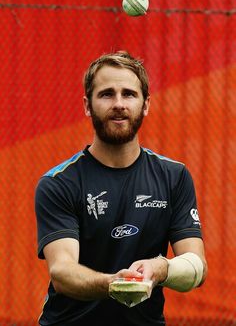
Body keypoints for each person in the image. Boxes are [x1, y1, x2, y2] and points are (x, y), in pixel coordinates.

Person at [35, 51, 208, 326]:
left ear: (146, 104)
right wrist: (114, 283)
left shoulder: (174, 176)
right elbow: (62, 271)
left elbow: (196, 266)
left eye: (129, 94)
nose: (118, 104)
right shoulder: (59, 182)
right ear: (87, 105)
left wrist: (161, 268)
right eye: (106, 94)